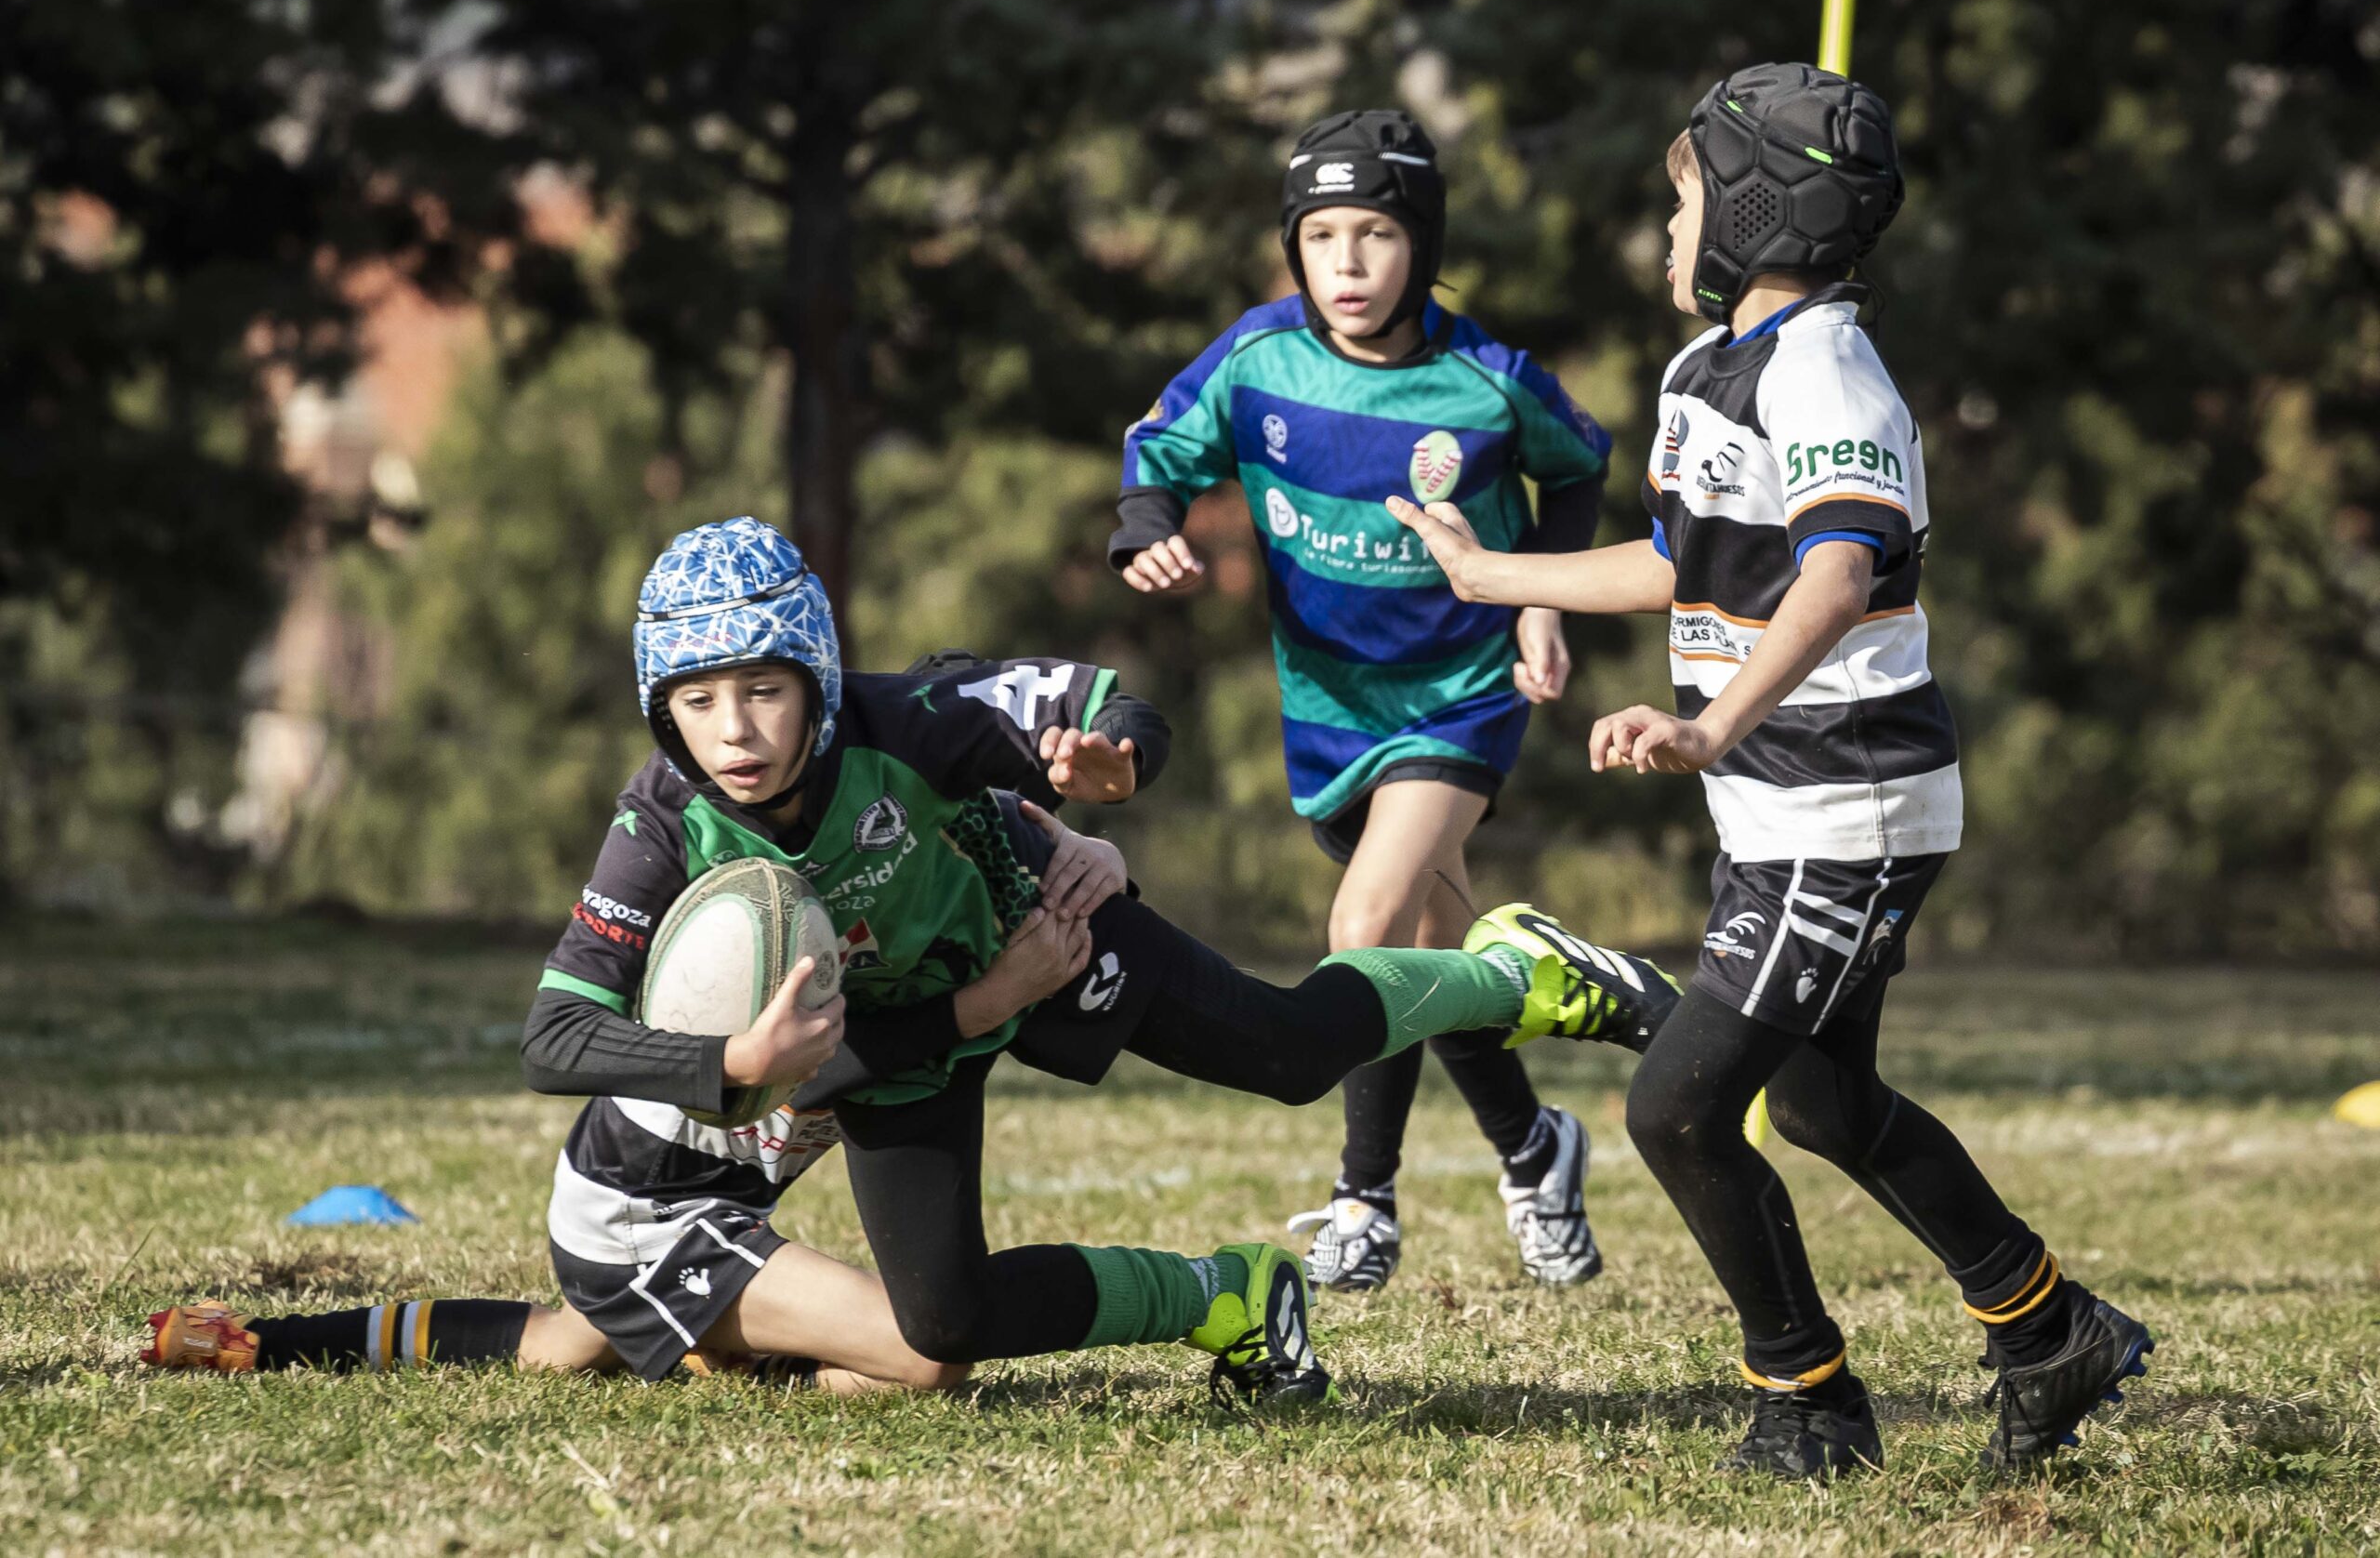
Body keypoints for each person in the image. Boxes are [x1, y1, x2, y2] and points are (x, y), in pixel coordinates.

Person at [152, 518, 1677, 1404]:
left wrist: (1095, 773)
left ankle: (1507, 970)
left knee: (1285, 1051)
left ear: (815, 677)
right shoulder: (663, 826)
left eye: (765, 688)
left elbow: (1105, 697)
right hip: (916, 1032)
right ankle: (1235, 1297)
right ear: (659, 714)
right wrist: (742, 1066)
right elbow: (556, 1035)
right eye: (699, 701)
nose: (736, 728)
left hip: (1040, 916)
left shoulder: (913, 717)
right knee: (938, 1330)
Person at [1384, 64, 2153, 1478]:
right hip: (1783, 807)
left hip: (1845, 809)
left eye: (1680, 202)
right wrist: (1493, 572)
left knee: (1676, 1105)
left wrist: (1707, 723)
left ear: (1750, 209)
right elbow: (1683, 559)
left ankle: (1808, 1398)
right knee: (1815, 1101)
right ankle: (2051, 1330)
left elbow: (1837, 565)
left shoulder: (1826, 366)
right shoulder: (1704, 370)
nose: (1666, 232)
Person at [1111, 109, 1617, 1293]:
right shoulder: (1257, 361)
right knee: (1439, 954)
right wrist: (1147, 531)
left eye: (1376, 233)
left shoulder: (1484, 382)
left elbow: (1582, 465)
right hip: (1326, 708)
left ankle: (1364, 1199)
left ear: (1421, 244)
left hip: (1458, 696)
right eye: (1321, 234)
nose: (1345, 263)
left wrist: (1540, 600)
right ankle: (1535, 1147)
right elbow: (1159, 452)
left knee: (1366, 931)